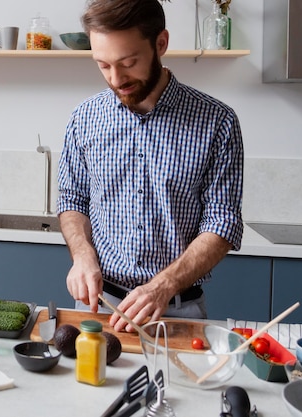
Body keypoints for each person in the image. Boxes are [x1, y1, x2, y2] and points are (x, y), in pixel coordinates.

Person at [57, 0, 244, 332]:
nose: (116, 79)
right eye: (103, 65)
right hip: (99, 306)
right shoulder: (84, 117)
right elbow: (72, 200)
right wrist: (82, 255)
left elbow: (223, 222)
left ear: (161, 43)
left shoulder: (217, 122)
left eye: (128, 62)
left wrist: (163, 285)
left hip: (176, 312)